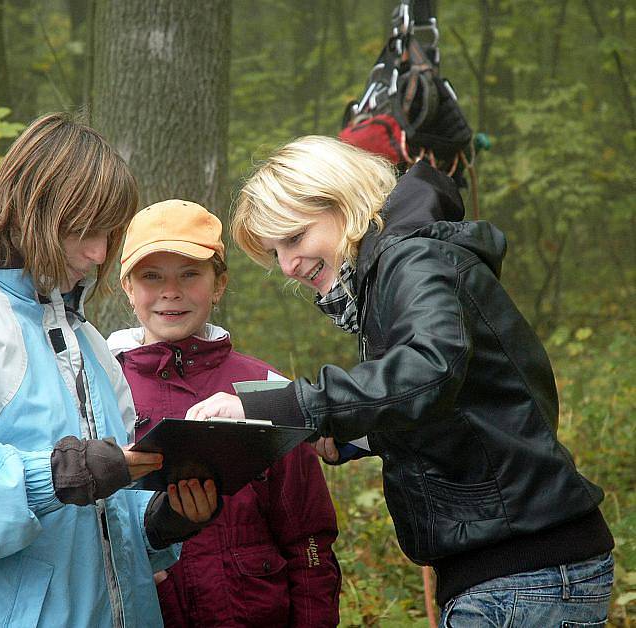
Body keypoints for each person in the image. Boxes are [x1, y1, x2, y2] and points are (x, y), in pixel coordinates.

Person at [187, 136, 615, 626]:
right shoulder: (395, 269)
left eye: (295, 238)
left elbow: (431, 369)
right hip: (515, 570)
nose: (287, 266)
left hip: (522, 574)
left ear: (343, 204)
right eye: (275, 252)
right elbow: (466, 404)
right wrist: (354, 436)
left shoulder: (411, 260)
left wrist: (287, 404)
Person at [0, 113, 219, 627]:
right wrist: (54, 477)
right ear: (33, 210)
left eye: (107, 234)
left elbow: (98, 529)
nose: (98, 254)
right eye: (83, 231)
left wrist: (162, 523)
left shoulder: (91, 346)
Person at [107, 199, 342, 627]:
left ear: (219, 284)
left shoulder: (267, 389)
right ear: (127, 287)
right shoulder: (101, 386)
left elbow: (308, 540)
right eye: (151, 276)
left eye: (190, 274)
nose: (170, 291)